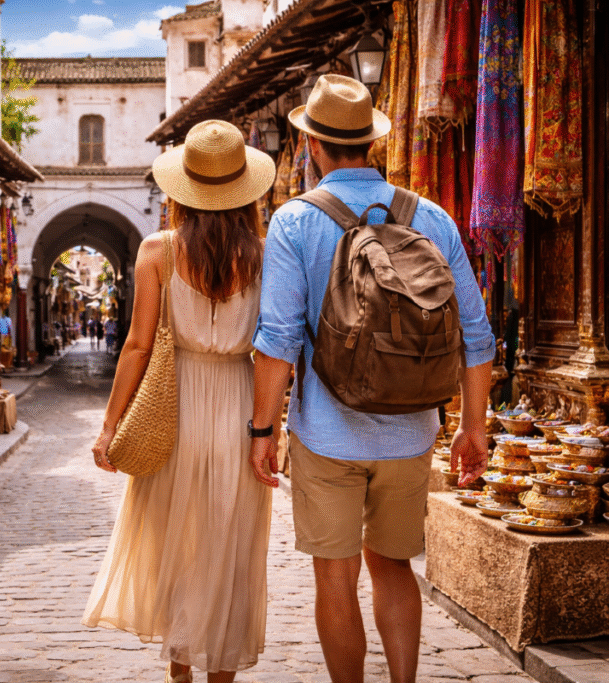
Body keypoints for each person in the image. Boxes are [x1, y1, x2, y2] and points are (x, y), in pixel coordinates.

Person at [249, 74, 495, 683]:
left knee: (335, 576)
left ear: (311, 147)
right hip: (412, 432)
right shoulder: (431, 217)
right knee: (394, 567)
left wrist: (263, 431)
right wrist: (474, 427)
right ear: (371, 144)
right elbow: (477, 332)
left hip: (326, 432)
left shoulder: (294, 221)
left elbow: (277, 342)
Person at [85, 120, 278, 683]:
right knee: (230, 546)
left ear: (182, 191)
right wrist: (272, 428)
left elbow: (138, 346)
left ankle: (180, 674)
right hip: (242, 407)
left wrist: (109, 427)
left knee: (177, 540)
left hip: (175, 410)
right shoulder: (266, 256)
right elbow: (274, 346)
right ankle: (222, 674)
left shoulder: (158, 251)